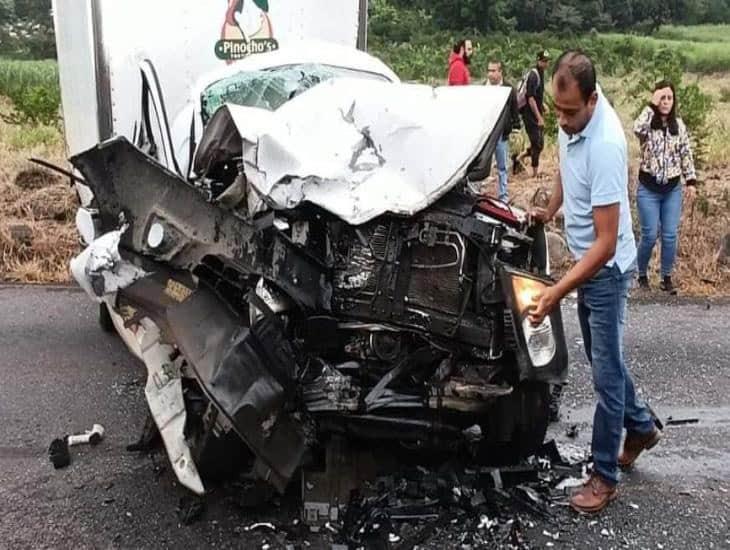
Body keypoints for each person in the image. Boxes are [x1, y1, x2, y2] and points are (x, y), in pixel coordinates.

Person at [529, 51, 661, 514]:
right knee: (602, 356)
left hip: (604, 270)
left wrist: (555, 292)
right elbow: (566, 166)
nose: (561, 122)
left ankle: (604, 477)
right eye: (557, 110)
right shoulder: (573, 127)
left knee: (605, 375)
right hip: (589, 263)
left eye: (570, 113)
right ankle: (642, 427)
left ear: (593, 98)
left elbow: (605, 245)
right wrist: (550, 209)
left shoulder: (605, 144)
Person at [633, 80, 697, 294]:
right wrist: (651, 105)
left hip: (671, 189)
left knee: (670, 235)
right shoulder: (648, 123)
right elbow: (636, 128)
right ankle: (640, 274)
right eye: (662, 97)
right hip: (648, 188)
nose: (666, 102)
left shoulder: (678, 125)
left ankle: (666, 277)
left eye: (669, 98)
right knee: (650, 235)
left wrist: (691, 181)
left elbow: (686, 154)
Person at [485, 59, 520, 202]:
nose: (490, 74)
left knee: (502, 166)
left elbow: (514, 110)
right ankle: (478, 192)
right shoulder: (483, 89)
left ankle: (503, 196)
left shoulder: (508, 90)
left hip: (501, 134)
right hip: (486, 134)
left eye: (493, 71)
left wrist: (515, 127)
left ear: (500, 72)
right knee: (481, 165)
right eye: (489, 71)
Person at [517, 50, 551, 178]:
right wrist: (539, 117)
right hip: (529, 113)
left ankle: (520, 157)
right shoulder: (533, 75)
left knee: (540, 143)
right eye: (543, 61)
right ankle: (535, 173)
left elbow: (536, 96)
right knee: (536, 142)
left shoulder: (540, 74)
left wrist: (542, 105)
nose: (546, 63)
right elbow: (530, 98)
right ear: (538, 61)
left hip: (535, 111)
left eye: (547, 61)